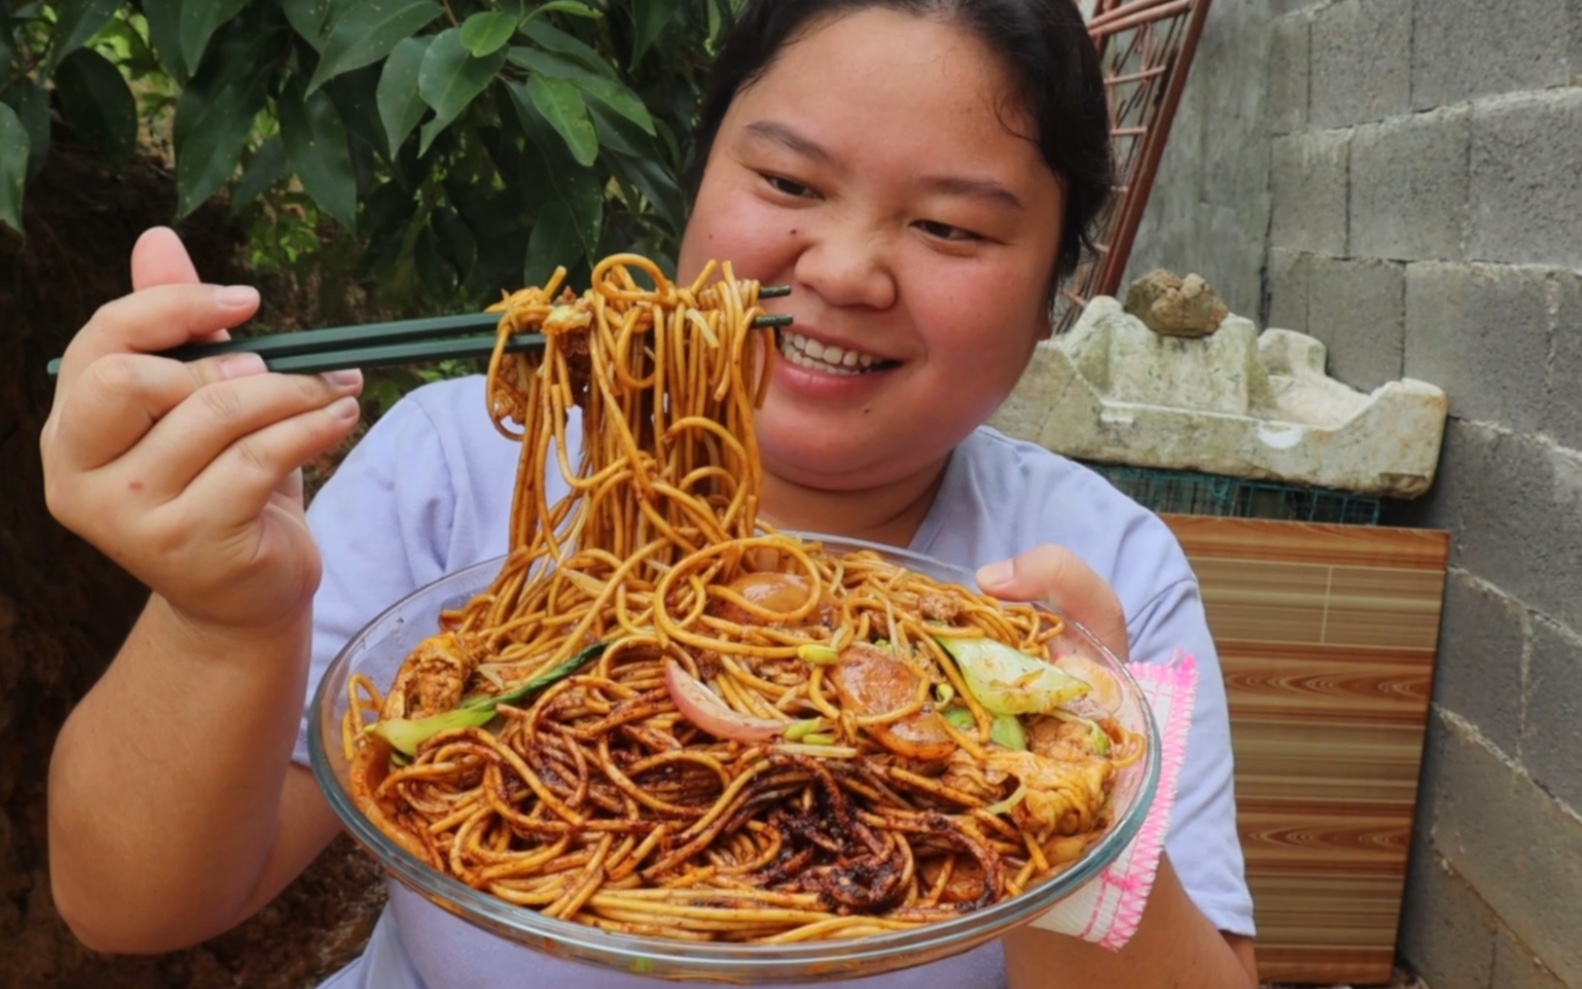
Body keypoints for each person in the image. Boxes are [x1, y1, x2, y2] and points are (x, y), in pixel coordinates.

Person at [40, 1, 1258, 986]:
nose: (839, 271)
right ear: (698, 182)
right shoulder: (460, 464)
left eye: (947, 226)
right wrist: (221, 614)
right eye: (786, 183)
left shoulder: (1098, 581)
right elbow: (128, 904)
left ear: (1052, 293)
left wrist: (1081, 788)